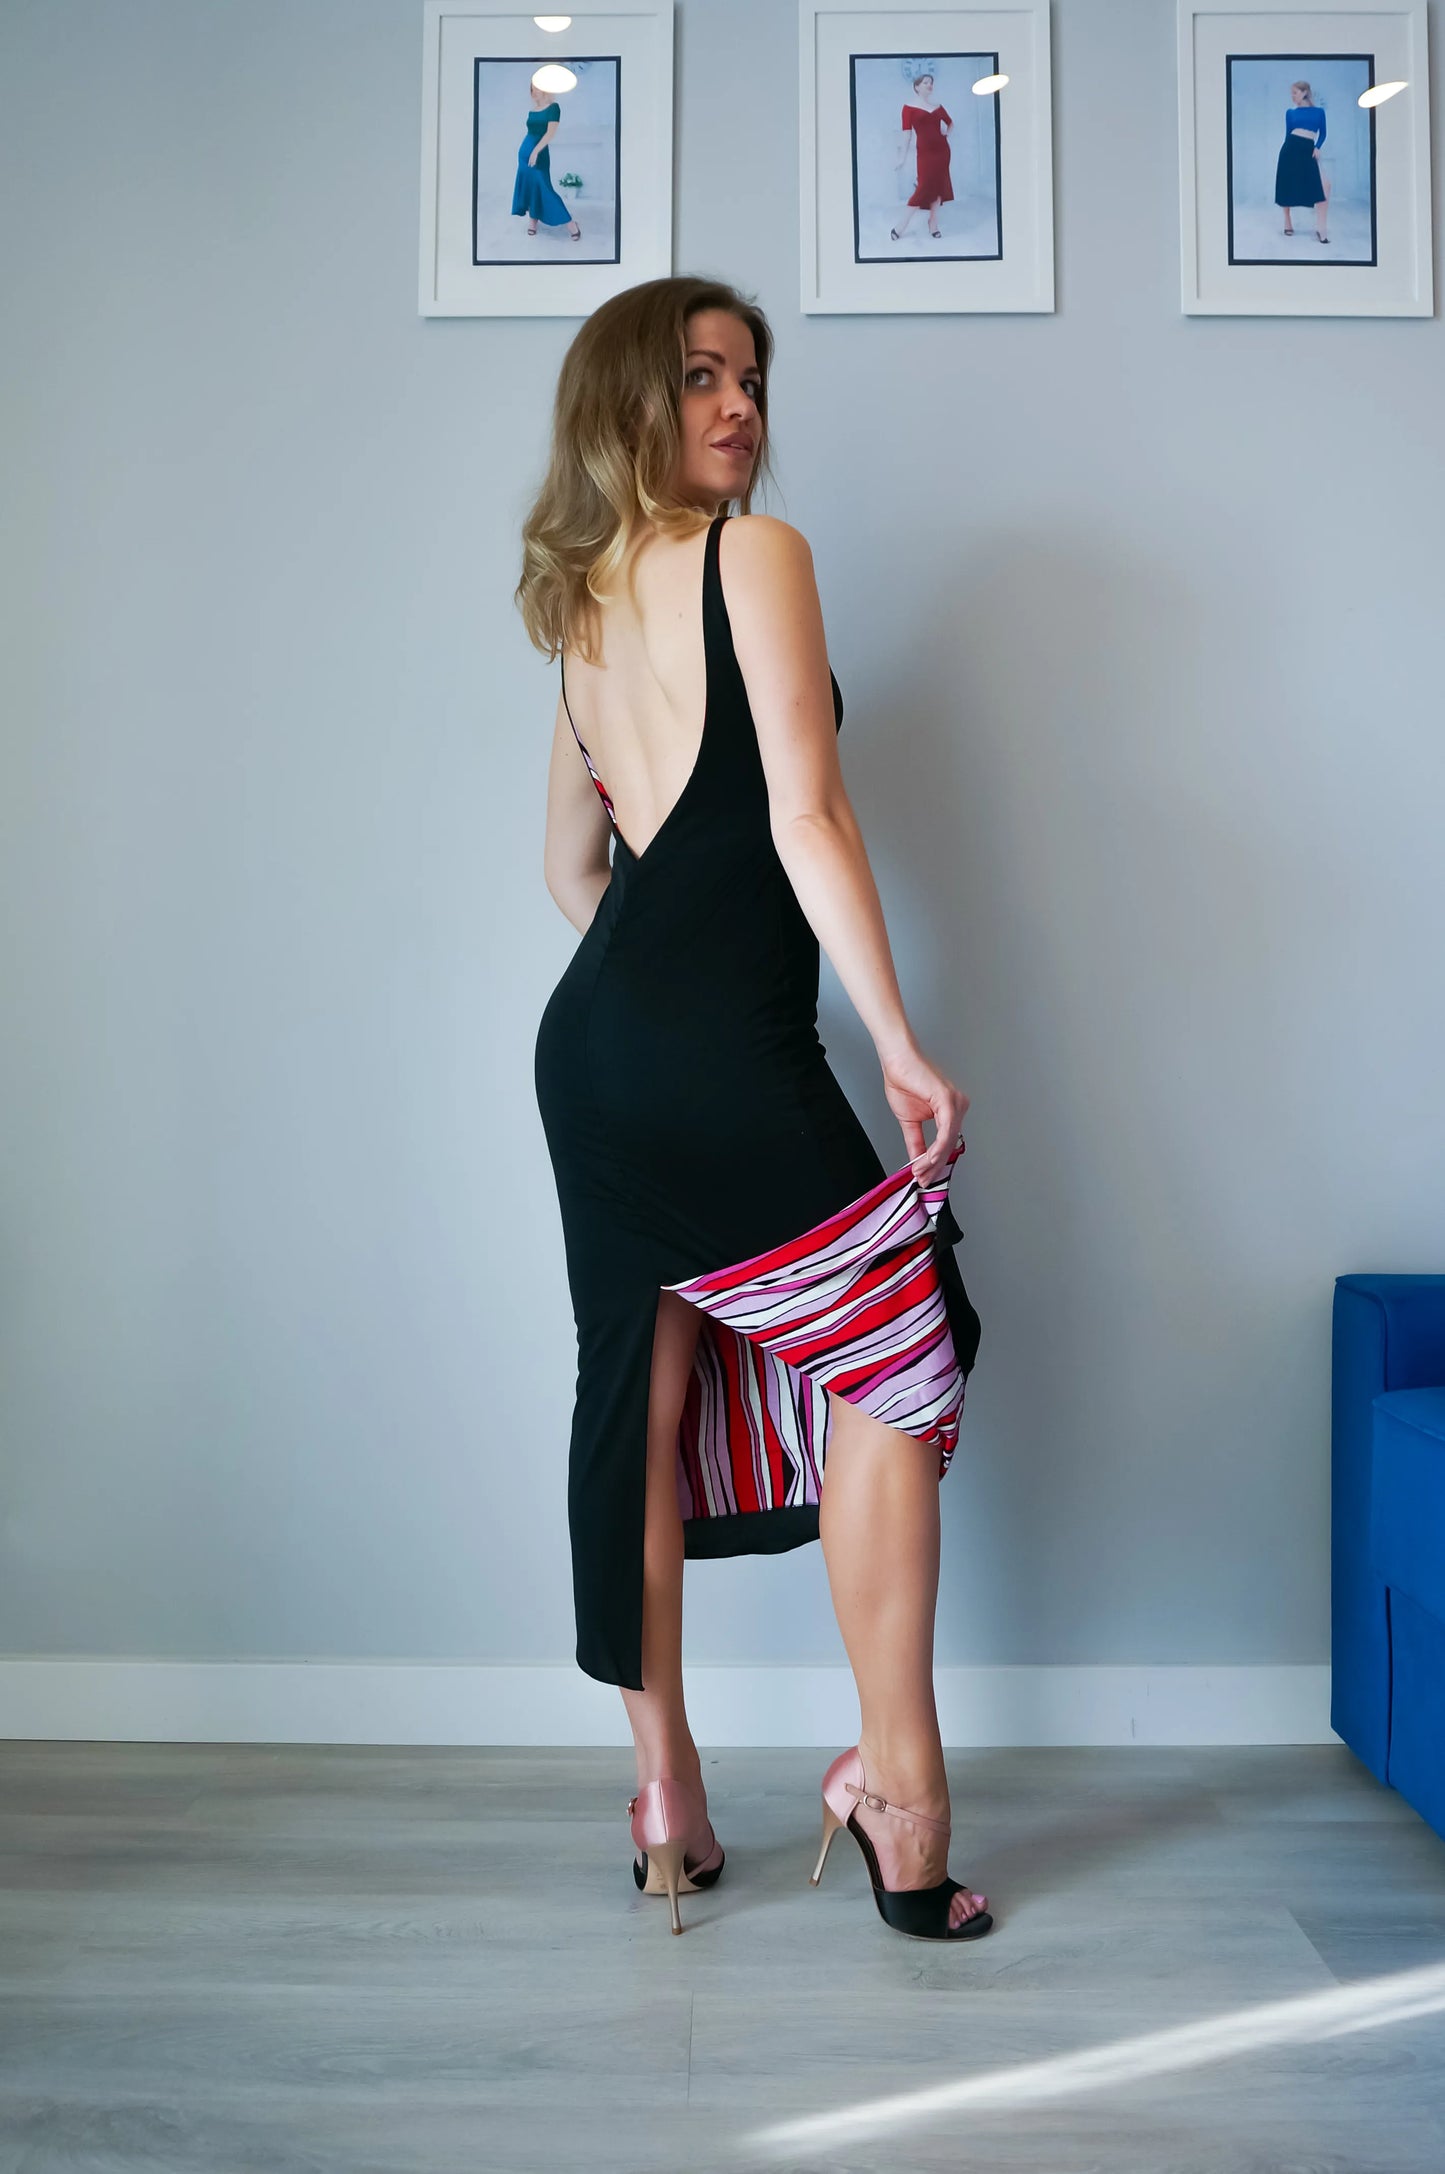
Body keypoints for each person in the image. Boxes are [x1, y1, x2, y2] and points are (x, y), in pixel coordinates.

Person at [518, 276, 991, 1943]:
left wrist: (655, 984)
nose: (739, 407)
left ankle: (668, 1799)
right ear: (629, 400)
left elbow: (574, 869)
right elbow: (805, 807)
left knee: (631, 1404)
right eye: (701, 376)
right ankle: (903, 1797)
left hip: (594, 1056)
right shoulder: (757, 558)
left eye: (754, 378)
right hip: (729, 1050)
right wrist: (900, 1036)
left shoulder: (581, 614)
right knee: (900, 1346)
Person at [512, 83, 581, 242]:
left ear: (545, 89)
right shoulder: (533, 110)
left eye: (536, 88)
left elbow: (550, 133)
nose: (534, 92)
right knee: (531, 187)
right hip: (524, 155)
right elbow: (530, 133)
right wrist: (529, 151)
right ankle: (532, 223)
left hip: (539, 153)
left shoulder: (554, 108)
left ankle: (571, 224)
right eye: (531, 89)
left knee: (544, 187)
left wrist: (536, 151)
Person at [892, 71, 954, 242]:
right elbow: (907, 135)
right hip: (925, 154)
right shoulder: (908, 108)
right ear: (916, 87)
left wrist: (946, 134)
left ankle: (933, 224)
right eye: (925, 82)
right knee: (923, 188)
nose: (929, 84)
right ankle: (901, 226)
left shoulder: (938, 107)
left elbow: (950, 123)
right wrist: (902, 158)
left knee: (939, 188)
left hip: (942, 152)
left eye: (931, 82)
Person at [1275, 79, 1329, 243]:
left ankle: (1321, 227)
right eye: (1291, 93)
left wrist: (1318, 146)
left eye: (1295, 93)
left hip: (1308, 150)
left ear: (1304, 92)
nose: (1292, 96)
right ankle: (1287, 220)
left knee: (1324, 186)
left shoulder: (1319, 112)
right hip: (1290, 150)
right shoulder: (1290, 113)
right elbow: (1287, 134)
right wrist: (1284, 153)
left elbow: (1323, 133)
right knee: (1286, 185)